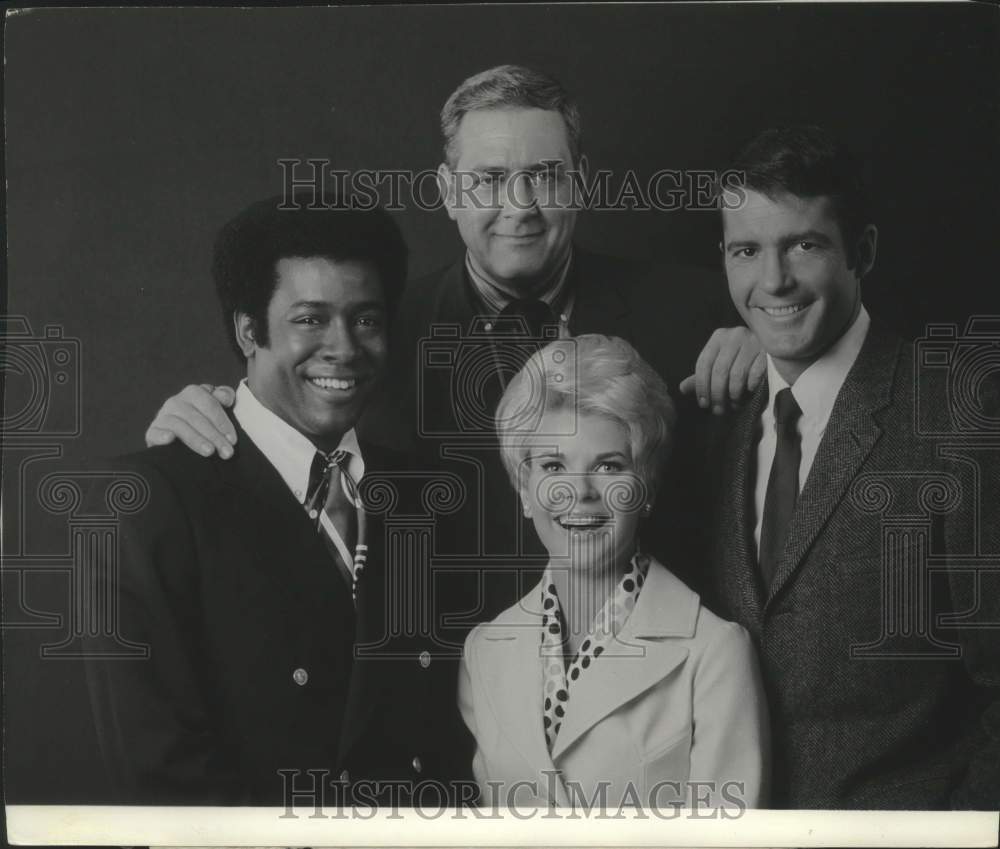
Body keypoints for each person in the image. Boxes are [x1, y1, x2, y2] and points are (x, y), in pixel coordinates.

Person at [140, 65, 761, 620]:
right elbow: (286, 451)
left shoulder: (698, 316)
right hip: (439, 701)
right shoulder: (372, 336)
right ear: (446, 191)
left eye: (543, 177)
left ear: (581, 183)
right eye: (489, 180)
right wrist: (208, 417)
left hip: (653, 689)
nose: (519, 208)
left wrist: (777, 360)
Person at [82, 195, 471, 805]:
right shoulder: (150, 501)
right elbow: (158, 771)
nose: (343, 347)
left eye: (365, 319)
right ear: (248, 331)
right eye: (310, 319)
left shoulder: (425, 494)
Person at [706, 125, 1000, 808]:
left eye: (803, 245)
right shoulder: (717, 419)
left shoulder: (958, 415)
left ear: (861, 251)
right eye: (747, 250)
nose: (773, 279)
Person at [459, 334, 769, 808]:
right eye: (552, 465)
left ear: (646, 487)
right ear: (523, 489)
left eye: (608, 466)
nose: (578, 492)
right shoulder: (484, 652)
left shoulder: (715, 652)